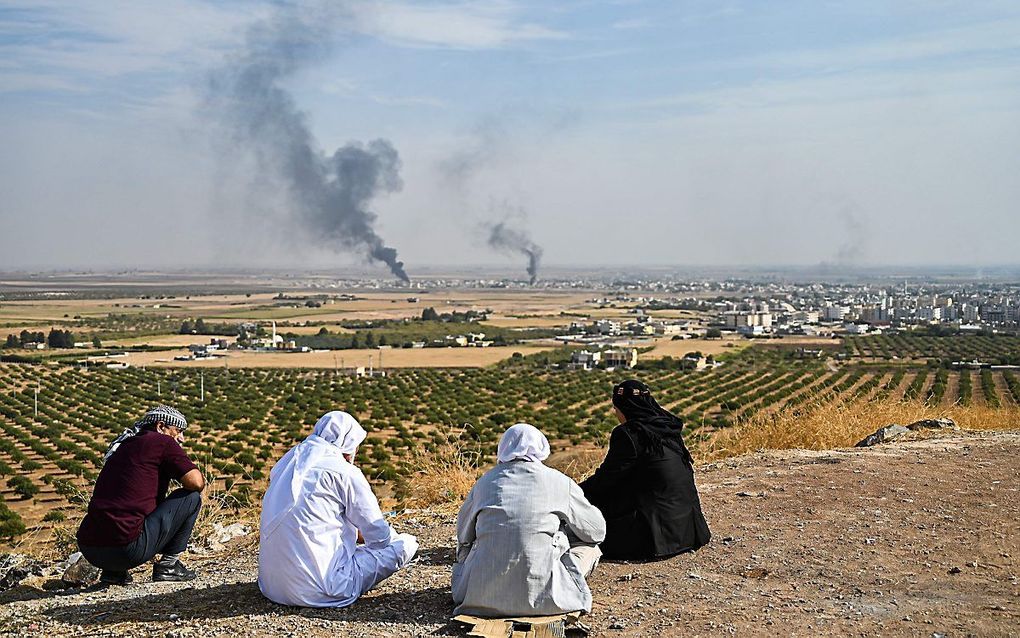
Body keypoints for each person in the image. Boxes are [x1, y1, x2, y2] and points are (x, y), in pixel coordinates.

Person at [257, 411, 418, 607]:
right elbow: (379, 539)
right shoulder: (344, 472)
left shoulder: (286, 464)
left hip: (272, 588)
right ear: (349, 443)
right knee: (406, 544)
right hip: (323, 590)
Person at [453, 423, 606, 617]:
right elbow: (596, 532)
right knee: (591, 547)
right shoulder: (559, 481)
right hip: (548, 600)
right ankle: (563, 587)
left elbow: (463, 537)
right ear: (542, 449)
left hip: (478, 598)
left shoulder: (484, 483)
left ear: (503, 449)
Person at [580, 380, 711, 561]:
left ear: (622, 408)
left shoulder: (628, 434)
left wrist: (574, 493)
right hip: (689, 530)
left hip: (656, 536)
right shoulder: (667, 426)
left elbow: (606, 479)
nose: (615, 413)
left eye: (616, 408)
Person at [77, 405, 205, 585]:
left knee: (125, 507)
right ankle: (169, 566)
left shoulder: (123, 444)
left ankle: (113, 574)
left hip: (90, 548)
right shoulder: (161, 442)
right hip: (128, 550)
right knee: (190, 497)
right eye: (178, 431)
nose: (181, 439)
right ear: (161, 427)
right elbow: (196, 482)